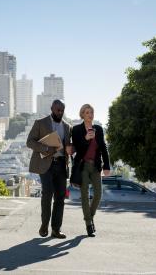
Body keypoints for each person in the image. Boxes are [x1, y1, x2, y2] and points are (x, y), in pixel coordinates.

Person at [27, 99, 71, 239]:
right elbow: (30, 141)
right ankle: (44, 225)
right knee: (47, 194)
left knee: (60, 198)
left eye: (62, 110)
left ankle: (56, 229)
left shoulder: (67, 126)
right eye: (58, 109)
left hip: (61, 164)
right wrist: (45, 148)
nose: (60, 112)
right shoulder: (40, 123)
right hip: (46, 164)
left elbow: (68, 146)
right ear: (52, 108)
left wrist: (71, 149)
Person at [71, 104, 110, 237]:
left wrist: (107, 166)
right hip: (83, 166)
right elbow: (77, 148)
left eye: (91, 112)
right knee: (85, 196)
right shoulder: (76, 129)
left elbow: (103, 148)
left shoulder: (98, 129)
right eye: (87, 112)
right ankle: (89, 225)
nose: (90, 114)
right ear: (82, 114)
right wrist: (85, 139)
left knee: (98, 194)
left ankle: (90, 217)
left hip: (96, 166)